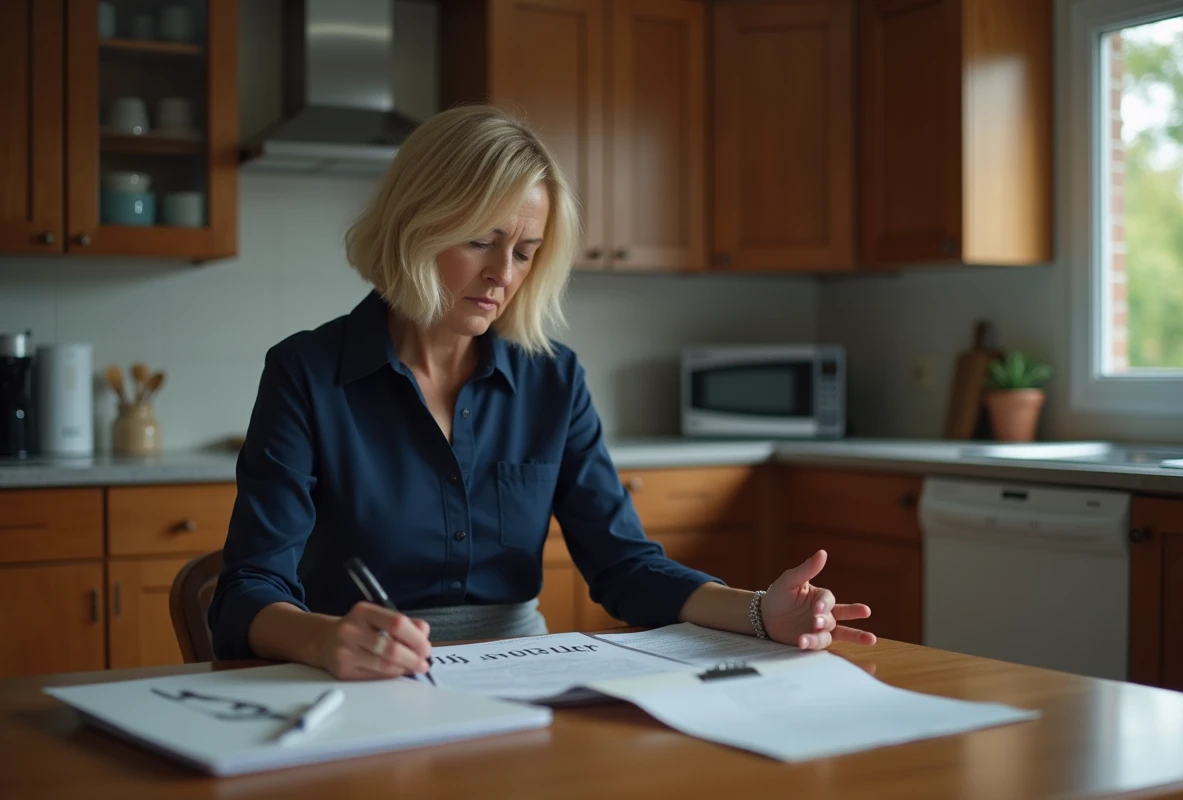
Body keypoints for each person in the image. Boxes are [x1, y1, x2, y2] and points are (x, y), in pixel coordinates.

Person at [208, 105, 877, 681]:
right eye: (481, 241)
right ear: (415, 224)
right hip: (360, 677)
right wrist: (325, 639)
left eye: (525, 252)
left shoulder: (553, 378)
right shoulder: (305, 371)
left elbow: (624, 566)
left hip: (522, 671)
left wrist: (761, 612)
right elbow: (249, 588)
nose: (503, 274)